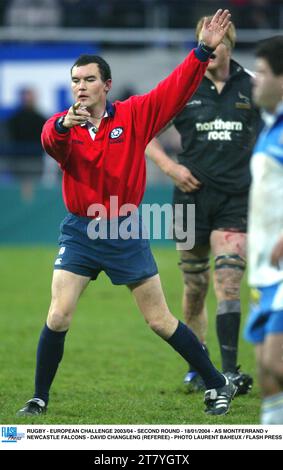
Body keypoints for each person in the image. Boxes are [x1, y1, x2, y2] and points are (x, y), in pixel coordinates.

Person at [17, 10, 237, 418]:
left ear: (107, 85)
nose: (80, 87)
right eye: (75, 81)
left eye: (88, 80)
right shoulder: (64, 126)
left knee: (159, 320)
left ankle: (215, 381)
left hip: (124, 227)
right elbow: (51, 142)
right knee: (58, 314)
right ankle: (39, 398)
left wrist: (203, 50)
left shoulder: (134, 115)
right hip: (80, 231)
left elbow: (173, 90)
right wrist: (64, 125)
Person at [146, 17, 261, 394]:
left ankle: (229, 371)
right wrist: (170, 167)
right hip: (187, 199)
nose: (209, 51)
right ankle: (199, 364)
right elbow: (144, 133)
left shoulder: (254, 87)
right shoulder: (185, 85)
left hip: (235, 197)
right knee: (194, 285)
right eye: (203, 44)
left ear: (230, 43)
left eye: (215, 45)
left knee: (229, 279)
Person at [245, 36, 283, 424]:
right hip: (263, 269)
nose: (254, 80)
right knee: (266, 372)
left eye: (262, 72)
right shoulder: (270, 126)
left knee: (276, 359)